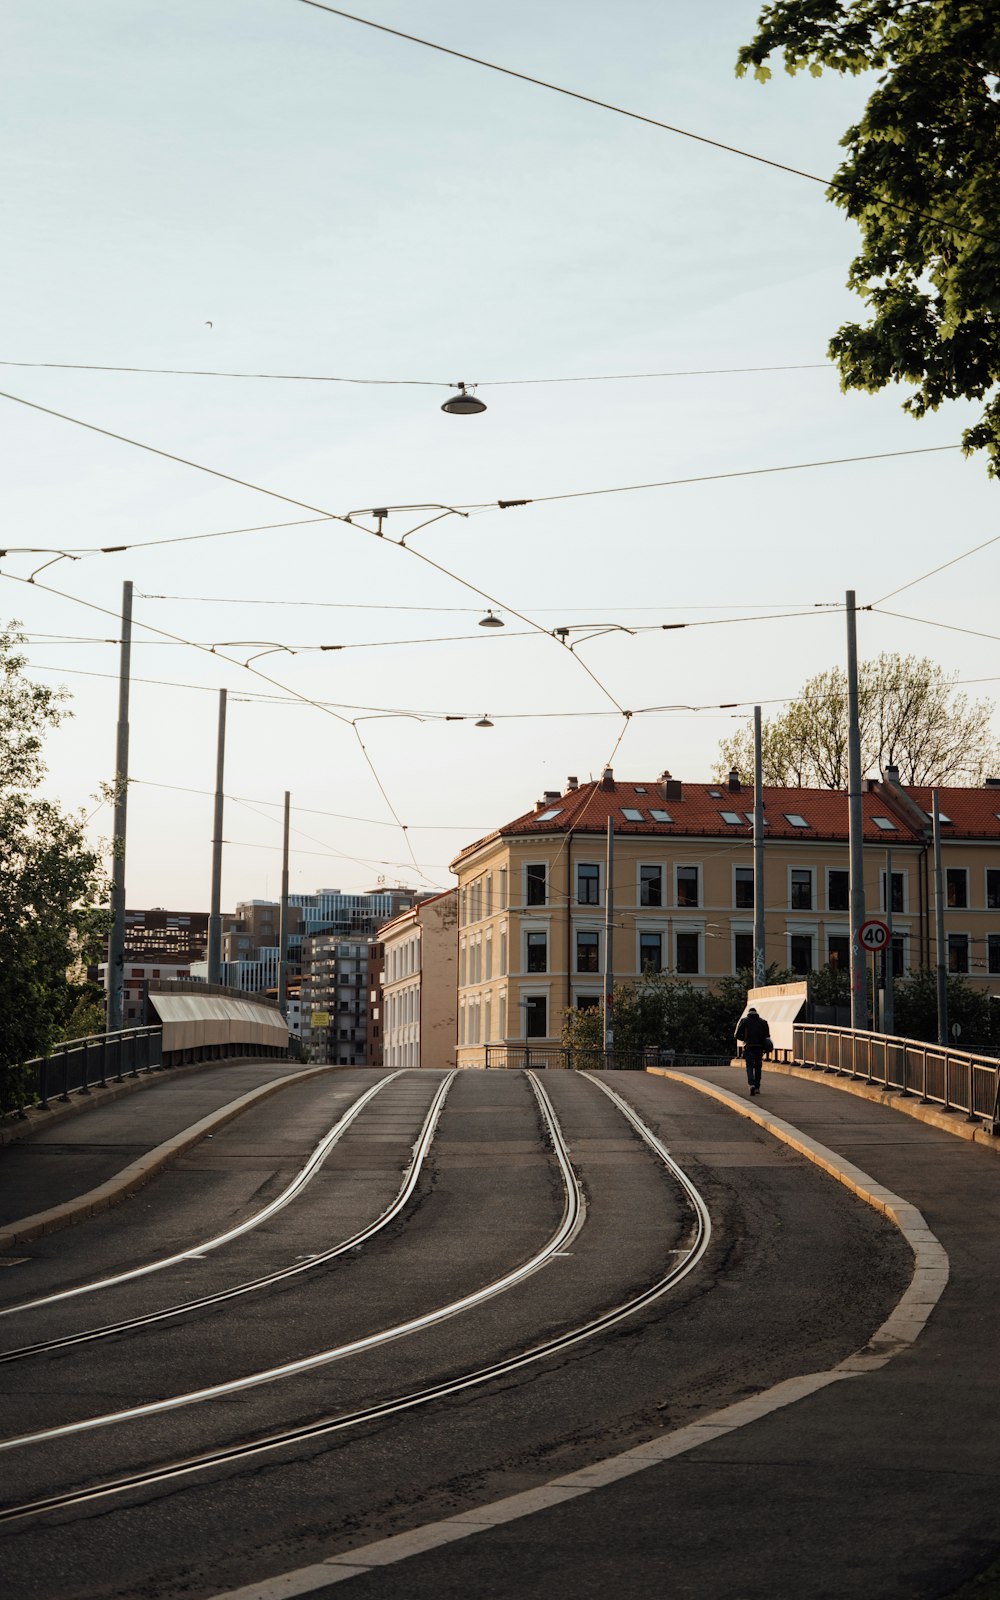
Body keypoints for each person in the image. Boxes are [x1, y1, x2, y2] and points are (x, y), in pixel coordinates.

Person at [735, 1006, 771, 1096]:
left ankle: (751, 1085)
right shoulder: (763, 1022)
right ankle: (757, 1087)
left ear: (748, 1013)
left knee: (749, 1066)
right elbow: (767, 1036)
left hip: (749, 1046)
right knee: (758, 1066)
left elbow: (737, 1035)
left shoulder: (745, 1021)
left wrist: (744, 1039)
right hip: (759, 1047)